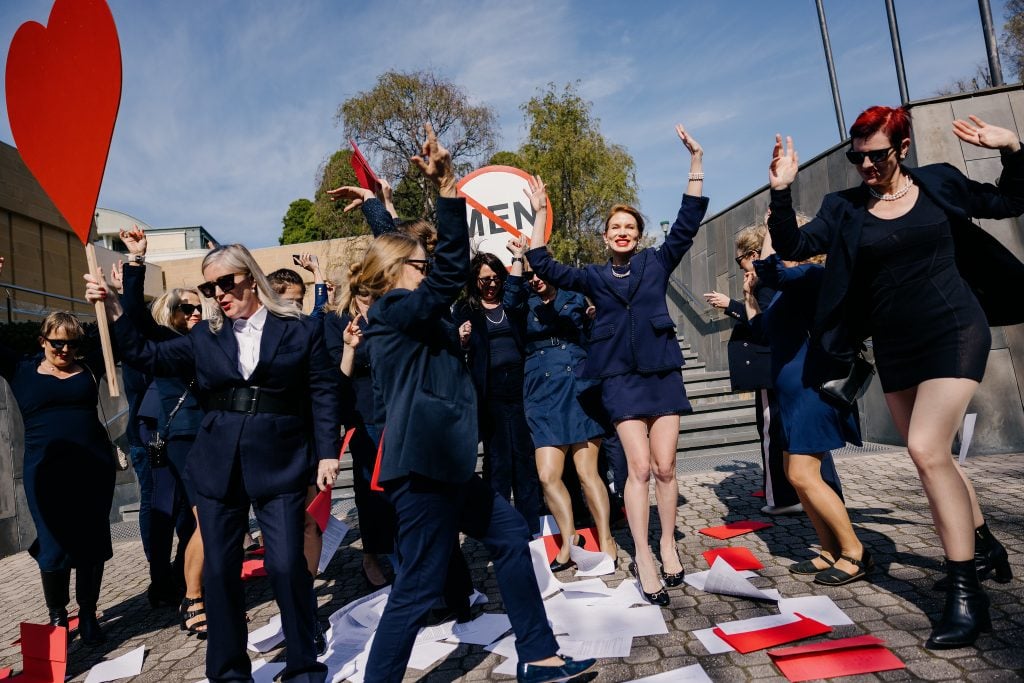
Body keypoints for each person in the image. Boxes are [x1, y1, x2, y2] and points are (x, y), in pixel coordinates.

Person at [766, 106, 1023, 649]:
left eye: (876, 155)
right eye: (856, 157)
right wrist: (781, 192)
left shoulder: (938, 185)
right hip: (895, 345)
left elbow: (1009, 200)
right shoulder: (844, 208)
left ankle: (965, 598)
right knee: (935, 458)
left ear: (902, 149)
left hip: (955, 328)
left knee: (928, 451)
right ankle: (984, 545)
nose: (866, 166)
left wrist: (1012, 149)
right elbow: (792, 247)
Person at [357, 124, 594, 683]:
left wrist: (378, 208)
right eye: (420, 266)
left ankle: (539, 657)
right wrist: (445, 193)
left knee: (511, 536)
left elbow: (407, 252)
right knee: (415, 589)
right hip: (422, 470)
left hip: (449, 466)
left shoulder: (408, 308)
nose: (431, 269)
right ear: (395, 274)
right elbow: (435, 275)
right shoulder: (393, 309)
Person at [85, 243, 340, 682]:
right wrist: (113, 311)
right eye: (209, 286)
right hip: (216, 464)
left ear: (252, 279)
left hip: (280, 461)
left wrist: (328, 452)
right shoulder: (204, 337)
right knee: (221, 571)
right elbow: (148, 355)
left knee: (285, 565)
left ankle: (303, 666)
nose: (218, 293)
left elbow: (322, 392)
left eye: (226, 282)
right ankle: (228, 672)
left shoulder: (299, 330)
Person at [526, 124, 707, 606]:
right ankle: (643, 554)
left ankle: (668, 545)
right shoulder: (593, 276)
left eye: (630, 228)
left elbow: (687, 226)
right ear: (604, 237)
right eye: (615, 229)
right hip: (621, 381)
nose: (623, 234)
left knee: (667, 467)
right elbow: (544, 265)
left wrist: (695, 167)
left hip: (662, 372)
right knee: (640, 467)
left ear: (638, 234)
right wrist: (541, 212)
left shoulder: (655, 263)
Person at [0, 260, 113, 645]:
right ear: (42, 341)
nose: (65, 349)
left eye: (72, 343)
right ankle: (58, 617)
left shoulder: (89, 367)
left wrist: (109, 293)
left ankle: (89, 614)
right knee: (53, 543)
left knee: (92, 542)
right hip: (46, 473)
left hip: (93, 469)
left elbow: (115, 332)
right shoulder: (21, 369)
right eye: (57, 343)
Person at [743, 229, 865, 585]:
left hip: (811, 391)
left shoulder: (812, 276)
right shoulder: (784, 290)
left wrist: (770, 232)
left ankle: (855, 551)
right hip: (789, 396)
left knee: (802, 475)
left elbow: (771, 270)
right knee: (796, 477)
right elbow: (761, 332)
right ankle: (828, 549)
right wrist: (750, 298)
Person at [704, 223, 844, 514]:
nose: (741, 268)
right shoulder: (788, 279)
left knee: (781, 436)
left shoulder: (794, 277)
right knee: (800, 444)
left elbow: (770, 323)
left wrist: (734, 303)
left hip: (789, 370)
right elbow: (768, 324)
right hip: (792, 368)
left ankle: (786, 497)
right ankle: (809, 497)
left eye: (739, 260)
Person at [114, 227, 213, 637]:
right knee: (171, 513)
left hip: (206, 438)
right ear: (170, 314)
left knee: (201, 519)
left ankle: (185, 583)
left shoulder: (210, 340)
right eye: (185, 308)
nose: (194, 313)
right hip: (168, 440)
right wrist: (136, 263)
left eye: (198, 308)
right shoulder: (169, 343)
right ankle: (174, 587)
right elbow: (136, 320)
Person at [504, 245, 616, 566]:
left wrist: (595, 318)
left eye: (539, 272)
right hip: (540, 390)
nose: (535, 279)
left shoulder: (575, 295)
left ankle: (606, 538)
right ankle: (569, 541)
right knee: (547, 475)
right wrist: (516, 260)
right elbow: (509, 301)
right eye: (530, 275)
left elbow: (595, 334)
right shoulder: (523, 299)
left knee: (586, 472)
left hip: (578, 384)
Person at [454, 252, 541, 536]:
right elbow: (458, 352)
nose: (491, 284)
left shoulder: (514, 302)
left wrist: (519, 258)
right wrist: (463, 342)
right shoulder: (465, 310)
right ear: (474, 280)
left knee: (524, 460)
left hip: (520, 390)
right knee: (498, 461)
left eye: (495, 278)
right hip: (489, 394)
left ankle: (531, 527)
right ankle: (501, 526)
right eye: (484, 280)